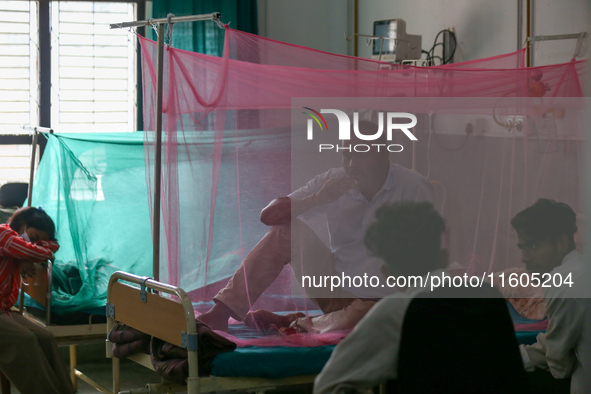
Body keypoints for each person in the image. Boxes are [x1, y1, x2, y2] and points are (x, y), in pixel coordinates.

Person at [199, 121, 434, 332]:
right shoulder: (333, 181)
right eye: (346, 155)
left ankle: (292, 323)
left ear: (384, 153)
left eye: (362, 154)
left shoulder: (413, 188)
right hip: (335, 288)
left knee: (376, 316)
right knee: (285, 232)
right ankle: (221, 313)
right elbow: (268, 216)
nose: (352, 164)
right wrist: (318, 198)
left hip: (382, 300)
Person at [314, 202, 530, 394]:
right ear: (444, 258)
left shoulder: (397, 311)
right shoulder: (488, 295)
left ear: (387, 272)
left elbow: (328, 385)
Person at [511, 198, 591, 394]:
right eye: (522, 247)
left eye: (534, 246)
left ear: (562, 243)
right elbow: (556, 344)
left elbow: (559, 367)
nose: (524, 257)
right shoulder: (580, 271)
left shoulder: (562, 282)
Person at [0, 207, 76, 394]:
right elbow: (39, 252)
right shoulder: (3, 234)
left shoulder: (16, 246)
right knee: (24, 340)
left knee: (45, 337)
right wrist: (28, 253)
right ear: (22, 225)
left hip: (4, 310)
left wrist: (26, 253)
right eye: (33, 237)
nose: (35, 243)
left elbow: (52, 247)